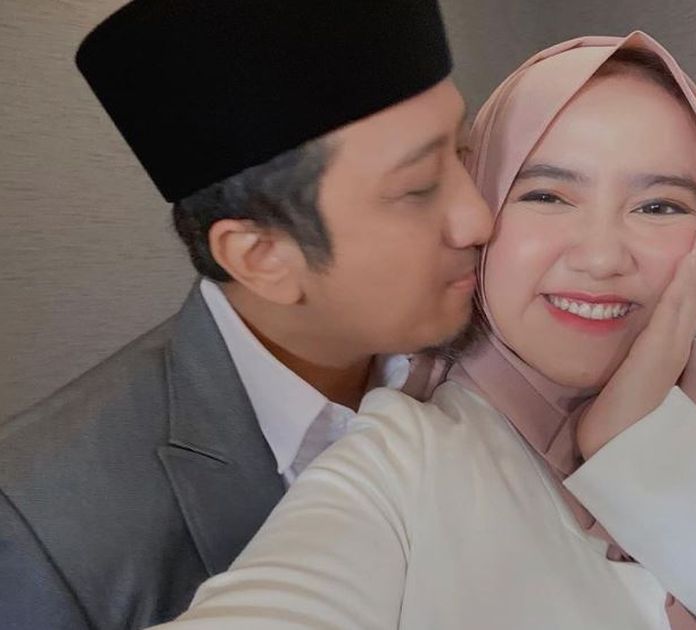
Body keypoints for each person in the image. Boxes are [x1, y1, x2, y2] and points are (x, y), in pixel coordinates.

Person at [155, 32, 696, 629]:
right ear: (481, 207)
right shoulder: (404, 455)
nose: (601, 257)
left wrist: (643, 443)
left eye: (660, 206)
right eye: (545, 195)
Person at [0, 1, 492, 628]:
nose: (478, 219)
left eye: (464, 151)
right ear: (262, 257)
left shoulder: (489, 349)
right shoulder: (46, 531)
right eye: (419, 187)